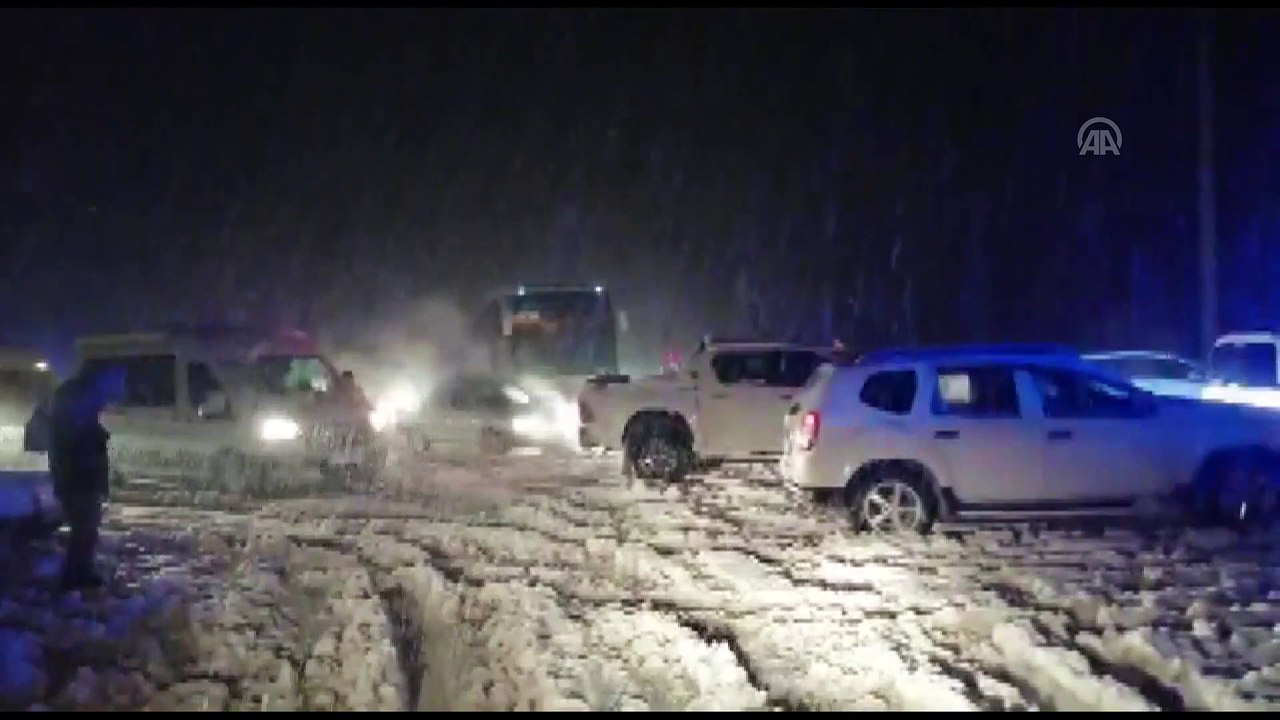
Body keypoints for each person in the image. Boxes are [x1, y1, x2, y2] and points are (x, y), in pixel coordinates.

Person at [48, 364, 126, 591]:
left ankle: (81, 572)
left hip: (81, 480)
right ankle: (72, 576)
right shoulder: (75, 414)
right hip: (77, 480)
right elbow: (76, 451)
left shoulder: (79, 410)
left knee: (87, 530)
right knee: (83, 530)